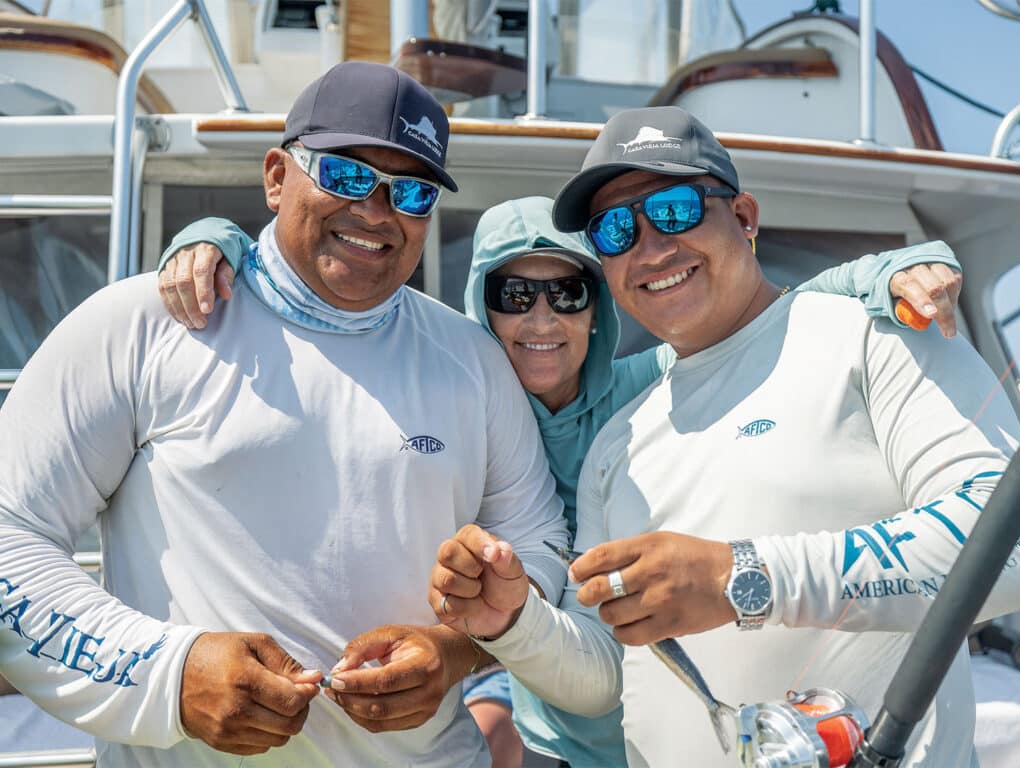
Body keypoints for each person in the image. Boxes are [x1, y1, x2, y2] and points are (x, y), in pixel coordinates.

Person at [159, 193, 962, 768]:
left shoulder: (647, 385)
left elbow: (777, 311)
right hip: (552, 725)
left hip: (697, 729)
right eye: (514, 295)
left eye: (567, 292)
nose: (541, 320)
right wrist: (221, 239)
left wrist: (891, 270)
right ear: (482, 308)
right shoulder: (451, 408)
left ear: (596, 309)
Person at [0, 61, 568, 768]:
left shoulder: (473, 360)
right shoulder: (144, 323)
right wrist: (172, 674)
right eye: (347, 175)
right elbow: (10, 532)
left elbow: (541, 545)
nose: (376, 211)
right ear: (276, 176)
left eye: (412, 192)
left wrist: (452, 654)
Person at [430, 106, 1020, 768]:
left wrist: (741, 577)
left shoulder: (879, 333)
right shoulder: (619, 440)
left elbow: (1012, 541)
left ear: (744, 217)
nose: (652, 247)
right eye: (617, 229)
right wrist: (514, 623)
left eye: (678, 209)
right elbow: (604, 679)